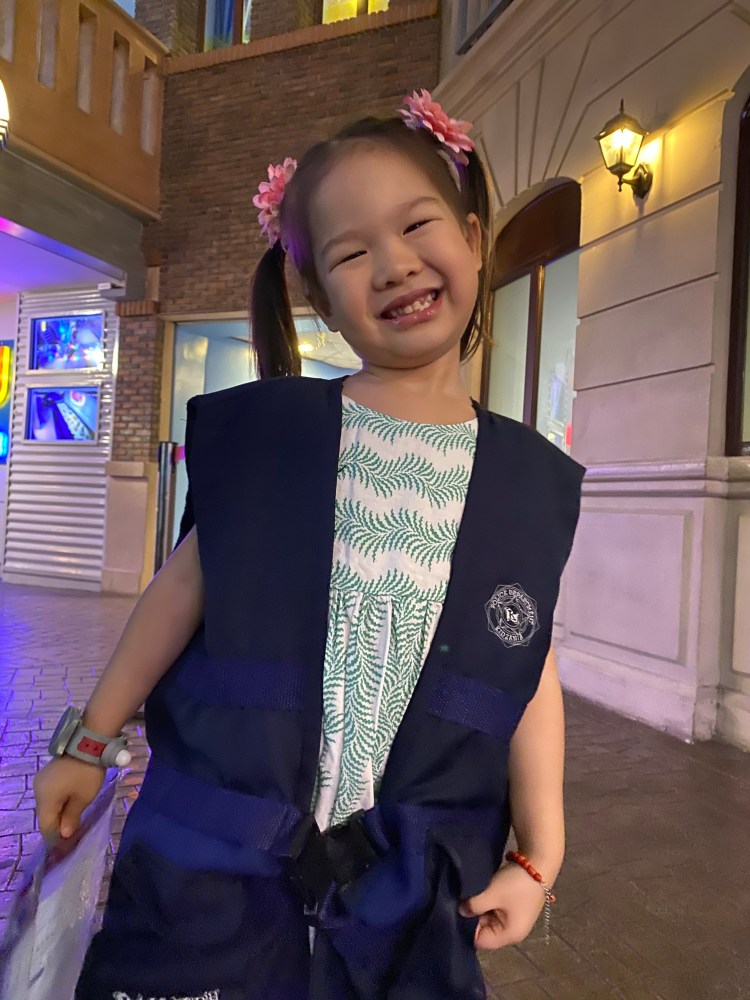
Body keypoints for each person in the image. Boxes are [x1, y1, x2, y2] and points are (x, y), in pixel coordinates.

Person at [34, 90, 585, 1000]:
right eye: (352, 253)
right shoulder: (278, 440)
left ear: (474, 238)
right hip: (219, 870)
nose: (395, 265)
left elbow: (526, 670)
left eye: (417, 226)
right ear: (322, 299)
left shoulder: (524, 482)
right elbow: (181, 590)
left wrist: (539, 854)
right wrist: (87, 745)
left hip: (405, 897)